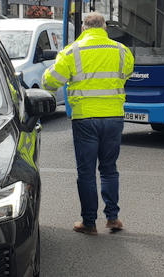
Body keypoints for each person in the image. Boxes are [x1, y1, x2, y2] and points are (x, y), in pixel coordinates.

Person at [42, 12, 134, 235]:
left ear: (84, 28)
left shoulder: (72, 51)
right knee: (109, 169)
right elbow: (127, 73)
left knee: (86, 172)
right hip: (114, 117)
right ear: (105, 28)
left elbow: (50, 81)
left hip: (85, 119)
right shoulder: (121, 50)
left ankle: (89, 223)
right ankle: (113, 218)